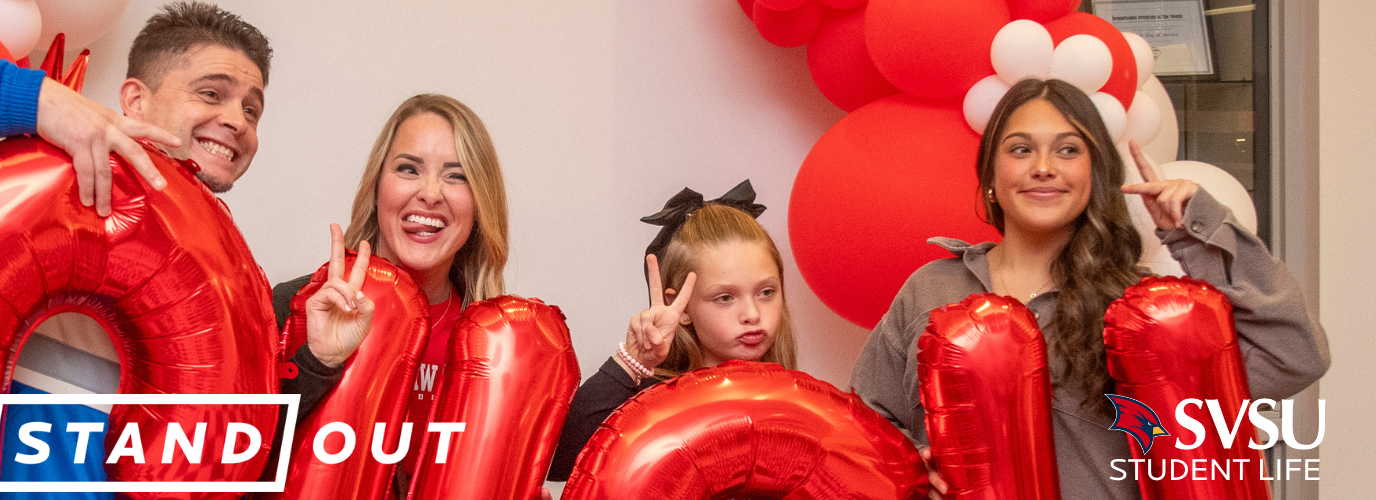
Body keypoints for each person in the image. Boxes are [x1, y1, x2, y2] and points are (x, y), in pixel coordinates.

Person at [0, 1, 365, 492]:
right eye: (211, 93)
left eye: (251, 109)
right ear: (135, 100)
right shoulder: (19, 194)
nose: (235, 120)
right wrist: (24, 99)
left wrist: (315, 361)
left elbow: (226, 460)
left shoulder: (224, 283)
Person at [848, 78, 1329, 499]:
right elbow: (865, 422)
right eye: (1020, 149)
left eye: (1067, 149)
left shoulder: (1140, 309)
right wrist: (914, 465)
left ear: (1093, 174)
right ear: (991, 176)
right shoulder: (932, 289)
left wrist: (1196, 232)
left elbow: (1294, 355)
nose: (1043, 166)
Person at [270, 93, 511, 491]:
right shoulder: (297, 305)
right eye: (408, 168)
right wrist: (318, 362)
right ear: (378, 186)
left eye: (457, 175)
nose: (431, 192)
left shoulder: (492, 343)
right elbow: (235, 459)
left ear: (480, 202)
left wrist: (629, 366)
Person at [542, 182, 798, 482]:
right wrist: (630, 363)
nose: (752, 315)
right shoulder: (650, 401)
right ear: (683, 307)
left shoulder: (796, 402)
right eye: (725, 298)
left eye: (766, 292)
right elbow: (561, 460)